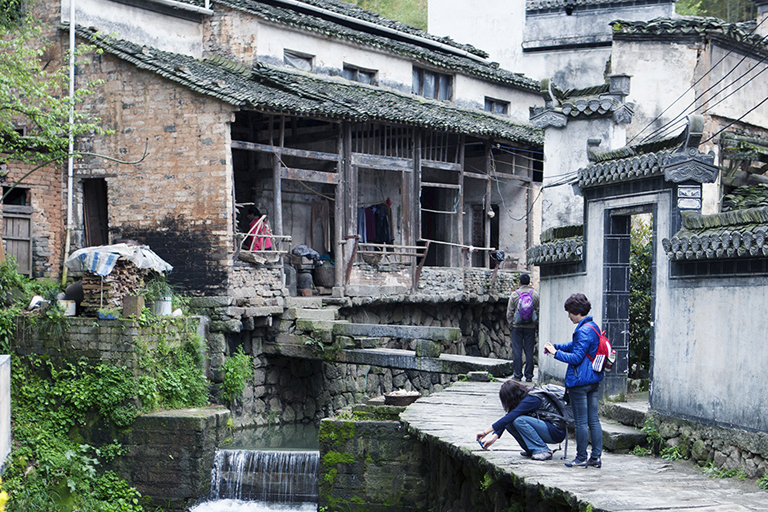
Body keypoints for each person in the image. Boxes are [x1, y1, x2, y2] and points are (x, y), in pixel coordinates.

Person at [544, 293, 603, 468]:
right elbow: (577, 347)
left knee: (581, 422)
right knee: (594, 420)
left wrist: (556, 354)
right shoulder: (592, 327)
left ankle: (581, 457)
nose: (568, 316)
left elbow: (576, 357)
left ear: (576, 311)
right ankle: (596, 457)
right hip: (593, 379)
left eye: (569, 312)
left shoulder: (583, 330)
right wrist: (558, 346)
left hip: (580, 381)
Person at [476, 380, 566, 461]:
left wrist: (485, 432)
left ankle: (542, 450)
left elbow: (511, 416)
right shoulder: (523, 398)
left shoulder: (532, 398)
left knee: (519, 420)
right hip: (546, 428)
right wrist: (493, 438)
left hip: (556, 431)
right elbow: (508, 418)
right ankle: (530, 449)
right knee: (509, 423)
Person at [506, 274, 539, 382]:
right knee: (529, 351)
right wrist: (536, 324)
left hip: (517, 327)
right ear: (529, 282)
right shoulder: (535, 295)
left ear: (519, 282)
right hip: (530, 327)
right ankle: (529, 375)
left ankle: (517, 375)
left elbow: (509, 312)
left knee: (517, 351)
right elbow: (538, 311)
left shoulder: (514, 295)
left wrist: (511, 324)